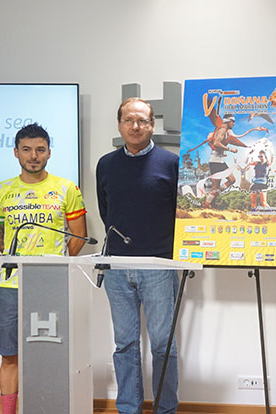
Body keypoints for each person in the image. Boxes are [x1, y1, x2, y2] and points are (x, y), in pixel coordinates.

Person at [0, 123, 87, 414]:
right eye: (27, 150)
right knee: (9, 356)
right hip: (9, 286)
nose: (34, 156)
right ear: (16, 152)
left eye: (40, 150)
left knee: (52, 354)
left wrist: (52, 269)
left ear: (49, 153)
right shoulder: (0, 191)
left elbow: (78, 238)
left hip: (52, 286)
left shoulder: (67, 188)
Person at [96, 98, 180, 414]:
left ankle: (165, 408)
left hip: (158, 264)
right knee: (125, 345)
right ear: (119, 124)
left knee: (163, 345)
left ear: (152, 125)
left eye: (142, 121)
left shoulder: (171, 163)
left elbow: (180, 213)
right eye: (129, 120)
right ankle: (128, 408)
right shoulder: (106, 164)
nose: (135, 126)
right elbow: (108, 211)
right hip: (117, 267)